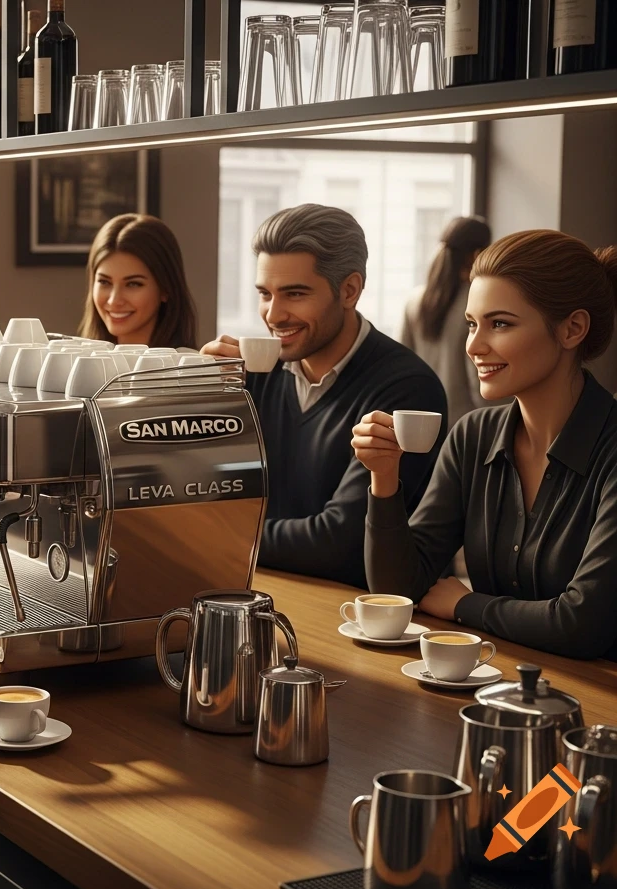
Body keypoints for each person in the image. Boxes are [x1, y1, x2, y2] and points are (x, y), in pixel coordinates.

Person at [355, 230, 617, 660]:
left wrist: (464, 603)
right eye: (472, 324)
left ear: (573, 329)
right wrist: (384, 476)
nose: (474, 346)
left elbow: (581, 625)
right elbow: (399, 591)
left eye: (500, 324)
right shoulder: (472, 436)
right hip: (495, 684)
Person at [201, 204, 447, 589]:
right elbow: (207, 496)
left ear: (349, 290)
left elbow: (338, 543)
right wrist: (200, 398)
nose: (274, 314)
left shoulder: (407, 388)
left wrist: (217, 538)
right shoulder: (252, 378)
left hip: (356, 615)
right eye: (265, 294)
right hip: (265, 588)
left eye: (295, 294)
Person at [401, 216, 494, 424]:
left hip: (422, 424)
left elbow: (401, 368)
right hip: (465, 426)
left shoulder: (414, 300)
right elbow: (477, 382)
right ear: (478, 254)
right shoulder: (476, 304)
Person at [78, 213, 197, 348]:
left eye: (133, 284)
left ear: (165, 289)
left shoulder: (189, 367)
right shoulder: (74, 364)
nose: (114, 301)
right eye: (104, 282)